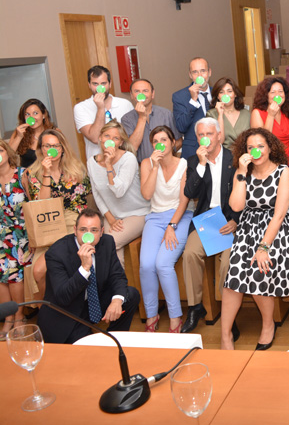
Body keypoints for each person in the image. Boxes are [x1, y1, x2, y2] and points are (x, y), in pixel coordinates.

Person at [221, 128, 289, 351]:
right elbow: (237, 206)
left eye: (260, 146)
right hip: (248, 225)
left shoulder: (283, 171)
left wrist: (263, 246)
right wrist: (241, 171)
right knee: (234, 275)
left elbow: (280, 214)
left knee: (258, 270)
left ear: (270, 148)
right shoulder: (242, 172)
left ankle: (268, 324)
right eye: (250, 148)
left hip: (277, 228)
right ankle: (225, 335)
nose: (256, 151)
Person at [37, 209, 140, 344]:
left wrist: (116, 301)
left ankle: (115, 339)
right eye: (83, 230)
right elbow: (63, 297)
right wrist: (84, 268)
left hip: (94, 301)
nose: (88, 235)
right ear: (75, 230)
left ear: (101, 231)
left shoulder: (107, 242)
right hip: (68, 311)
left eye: (94, 230)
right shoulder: (57, 253)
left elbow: (117, 276)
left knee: (130, 294)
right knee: (86, 348)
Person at [181, 118, 240, 335]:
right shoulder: (193, 161)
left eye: (209, 133)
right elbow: (190, 193)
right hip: (206, 219)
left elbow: (246, 193)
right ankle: (195, 307)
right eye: (201, 135)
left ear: (219, 136)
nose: (205, 138)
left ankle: (229, 313)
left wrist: (236, 220)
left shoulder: (234, 159)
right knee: (190, 253)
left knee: (228, 262)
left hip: (230, 220)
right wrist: (201, 164)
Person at [22, 129, 91, 302]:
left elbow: (85, 203)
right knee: (37, 271)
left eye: (55, 146)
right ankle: (49, 309)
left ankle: (66, 305)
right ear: (41, 149)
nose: (51, 150)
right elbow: (41, 205)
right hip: (48, 226)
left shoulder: (76, 170)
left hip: (72, 225)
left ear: (62, 148)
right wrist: (46, 173)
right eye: (47, 146)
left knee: (64, 267)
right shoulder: (32, 173)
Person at [139, 126, 195, 333]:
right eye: (155, 141)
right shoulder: (147, 164)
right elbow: (147, 195)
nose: (160, 144)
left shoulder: (184, 164)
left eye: (164, 139)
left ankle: (175, 317)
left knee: (162, 264)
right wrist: (155, 167)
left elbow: (184, 201)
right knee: (146, 265)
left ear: (173, 143)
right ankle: (151, 315)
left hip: (180, 216)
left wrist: (172, 226)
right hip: (155, 217)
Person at [87, 120, 150, 268]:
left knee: (107, 244)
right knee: (109, 250)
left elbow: (119, 191)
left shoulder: (128, 159)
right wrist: (110, 218)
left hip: (137, 213)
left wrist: (109, 165)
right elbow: (97, 193)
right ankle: (118, 283)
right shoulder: (91, 162)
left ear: (121, 142)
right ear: (100, 138)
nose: (110, 140)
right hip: (112, 215)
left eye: (115, 138)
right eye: (107, 136)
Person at [0, 141, 29, 339]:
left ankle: (19, 317)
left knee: (14, 276)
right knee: (1, 277)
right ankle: (8, 318)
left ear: (7, 152)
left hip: (21, 233)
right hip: (1, 233)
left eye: (0, 150)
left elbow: (34, 204)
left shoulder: (22, 174)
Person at [74, 65, 134, 160]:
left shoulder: (125, 104)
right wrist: (100, 108)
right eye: (95, 84)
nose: (99, 88)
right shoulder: (81, 108)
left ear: (110, 84)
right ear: (89, 85)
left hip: (124, 160)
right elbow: (95, 138)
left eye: (103, 83)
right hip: (98, 162)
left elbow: (132, 137)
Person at [121, 78, 181, 163]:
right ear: (131, 95)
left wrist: (167, 154)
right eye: (137, 91)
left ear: (152, 94)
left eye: (145, 91)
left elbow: (178, 141)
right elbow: (132, 147)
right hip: (141, 166)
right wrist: (142, 118)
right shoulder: (126, 119)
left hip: (165, 165)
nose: (141, 94)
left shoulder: (166, 114)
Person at [173, 57, 213, 159]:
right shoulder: (180, 96)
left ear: (209, 72)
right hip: (193, 153)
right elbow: (181, 127)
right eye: (195, 72)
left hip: (218, 151)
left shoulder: (219, 93)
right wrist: (193, 101)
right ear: (190, 75)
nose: (200, 76)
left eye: (203, 71)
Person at [251, 76, 289, 162]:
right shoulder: (257, 113)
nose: (277, 95)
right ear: (266, 95)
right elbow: (262, 141)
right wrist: (271, 115)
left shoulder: (286, 111)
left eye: (280, 91)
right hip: (272, 162)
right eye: (273, 92)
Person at [8, 99, 55, 168]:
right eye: (27, 114)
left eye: (35, 113)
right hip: (27, 174)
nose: (31, 118)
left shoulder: (54, 132)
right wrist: (19, 137)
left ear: (43, 115)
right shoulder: (18, 132)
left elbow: (63, 156)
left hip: (49, 172)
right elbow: (8, 157)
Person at [207, 77, 251, 150]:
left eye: (229, 91)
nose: (226, 95)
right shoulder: (211, 114)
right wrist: (220, 114)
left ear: (235, 94)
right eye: (221, 92)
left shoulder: (246, 114)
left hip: (244, 154)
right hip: (224, 155)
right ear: (218, 96)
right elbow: (219, 141)